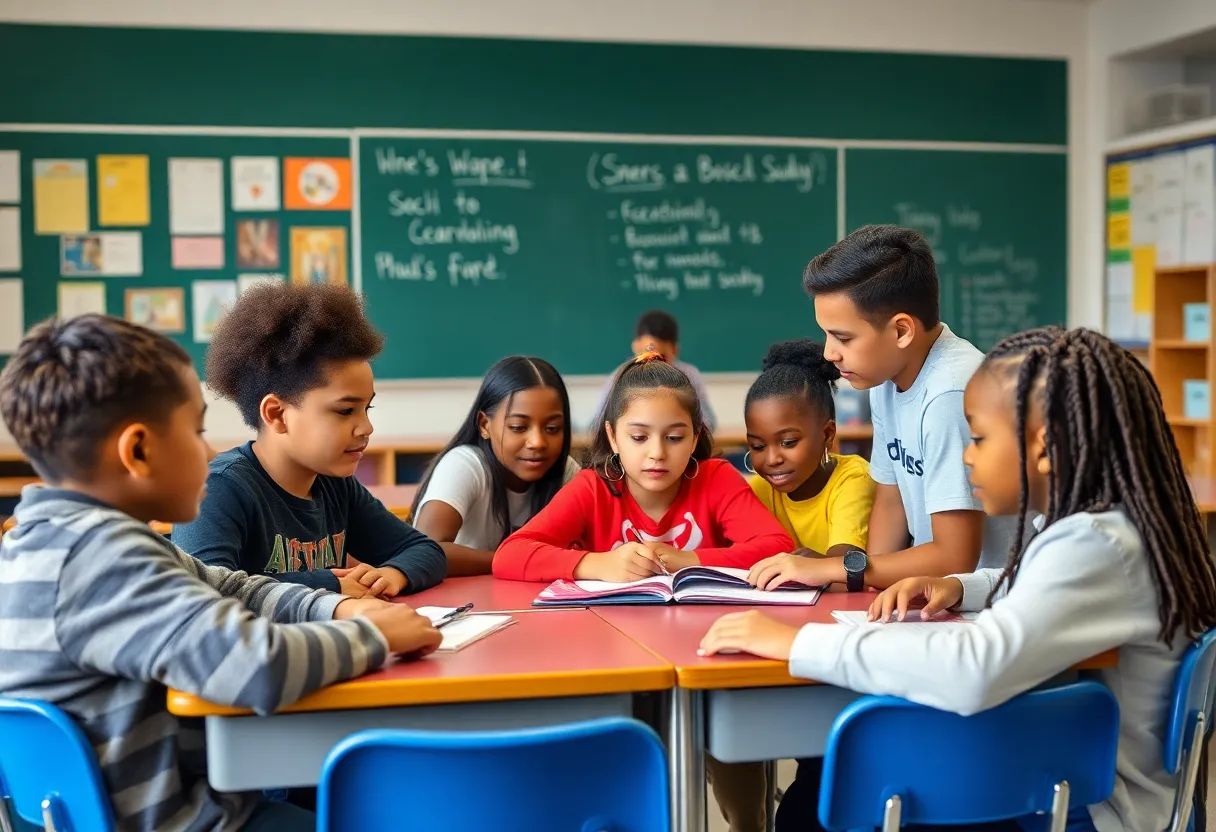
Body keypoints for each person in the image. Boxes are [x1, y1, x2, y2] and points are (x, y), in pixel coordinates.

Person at [699, 326, 1216, 832]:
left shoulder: (1093, 544)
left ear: (1042, 447)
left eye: (981, 438)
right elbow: (1030, 586)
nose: (967, 455)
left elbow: (974, 667)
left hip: (1085, 809)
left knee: (836, 801)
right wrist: (961, 587)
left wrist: (798, 643)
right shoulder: (1113, 528)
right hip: (1086, 786)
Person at [0, 315, 440, 832]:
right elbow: (255, 669)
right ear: (138, 450)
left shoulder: (60, 538)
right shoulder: (100, 559)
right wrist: (370, 634)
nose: (209, 451)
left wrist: (332, 604)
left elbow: (226, 584)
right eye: (196, 429)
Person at [173, 282, 446, 597]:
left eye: (366, 408)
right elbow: (204, 594)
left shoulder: (334, 485)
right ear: (276, 414)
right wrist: (329, 586)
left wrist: (392, 573)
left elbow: (424, 550)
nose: (366, 427)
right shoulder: (220, 489)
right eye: (345, 411)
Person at [493, 350, 791, 582]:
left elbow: (779, 547)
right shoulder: (593, 488)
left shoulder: (715, 478)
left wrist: (689, 560)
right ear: (613, 437)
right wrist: (597, 564)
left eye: (674, 437)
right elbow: (509, 555)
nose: (657, 453)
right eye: (638, 437)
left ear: (694, 437)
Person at [412, 356, 581, 576]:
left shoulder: (566, 472)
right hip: (464, 606)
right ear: (485, 425)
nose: (538, 442)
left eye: (552, 428)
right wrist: (519, 561)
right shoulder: (466, 465)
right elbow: (424, 550)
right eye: (518, 427)